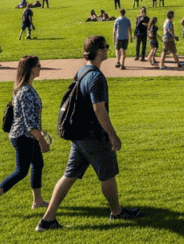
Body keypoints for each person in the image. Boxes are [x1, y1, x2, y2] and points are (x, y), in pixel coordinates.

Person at [35, 36, 142, 231]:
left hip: (79, 136)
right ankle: (117, 212)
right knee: (107, 174)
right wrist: (112, 135)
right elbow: (99, 109)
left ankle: (47, 220)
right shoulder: (96, 77)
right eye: (106, 47)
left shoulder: (83, 71)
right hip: (93, 135)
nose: (108, 49)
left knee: (69, 175)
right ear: (99, 51)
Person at [0, 56, 50, 216]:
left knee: (37, 164)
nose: (40, 68)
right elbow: (28, 120)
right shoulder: (25, 91)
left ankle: (37, 201)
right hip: (23, 136)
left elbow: (31, 116)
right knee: (21, 171)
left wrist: (39, 132)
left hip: (28, 135)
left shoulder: (25, 87)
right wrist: (41, 139)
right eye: (38, 65)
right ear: (31, 69)